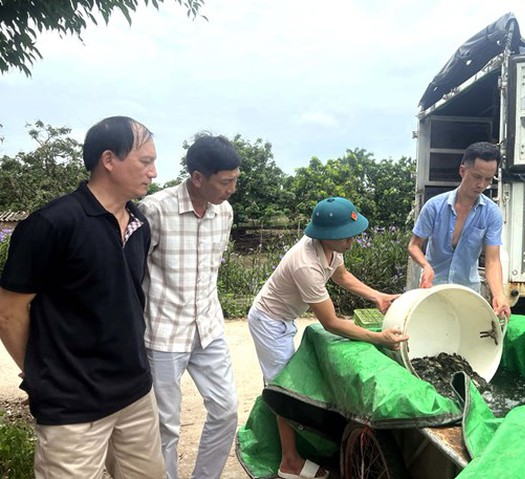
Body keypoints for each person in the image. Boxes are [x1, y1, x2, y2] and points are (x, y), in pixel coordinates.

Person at [0, 116, 163, 478]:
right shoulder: (51, 224)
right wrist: (41, 376)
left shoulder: (139, 224)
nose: (153, 172)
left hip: (135, 394)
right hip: (72, 407)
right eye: (145, 161)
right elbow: (9, 312)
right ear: (109, 160)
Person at [247, 196, 409, 479]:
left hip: (285, 318)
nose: (353, 240)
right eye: (346, 235)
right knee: (283, 391)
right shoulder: (305, 265)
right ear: (325, 235)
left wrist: (378, 297)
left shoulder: (332, 250)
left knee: (287, 384)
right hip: (269, 323)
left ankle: (297, 453)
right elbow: (332, 323)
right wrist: (379, 337)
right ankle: (290, 462)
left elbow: (342, 277)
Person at [138, 134, 240, 479]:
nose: (231, 189)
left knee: (226, 411)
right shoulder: (154, 210)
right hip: (164, 332)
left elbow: (211, 268)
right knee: (165, 426)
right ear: (198, 178)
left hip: (208, 329)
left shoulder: (224, 213)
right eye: (225, 182)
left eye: (235, 180)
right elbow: (134, 272)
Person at [408, 141, 511, 320]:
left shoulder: (492, 213)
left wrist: (499, 294)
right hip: (432, 289)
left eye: (488, 179)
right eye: (477, 177)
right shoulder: (434, 206)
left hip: (468, 292)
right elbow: (414, 246)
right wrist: (426, 266)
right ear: (463, 171)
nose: (482, 185)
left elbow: (493, 261)